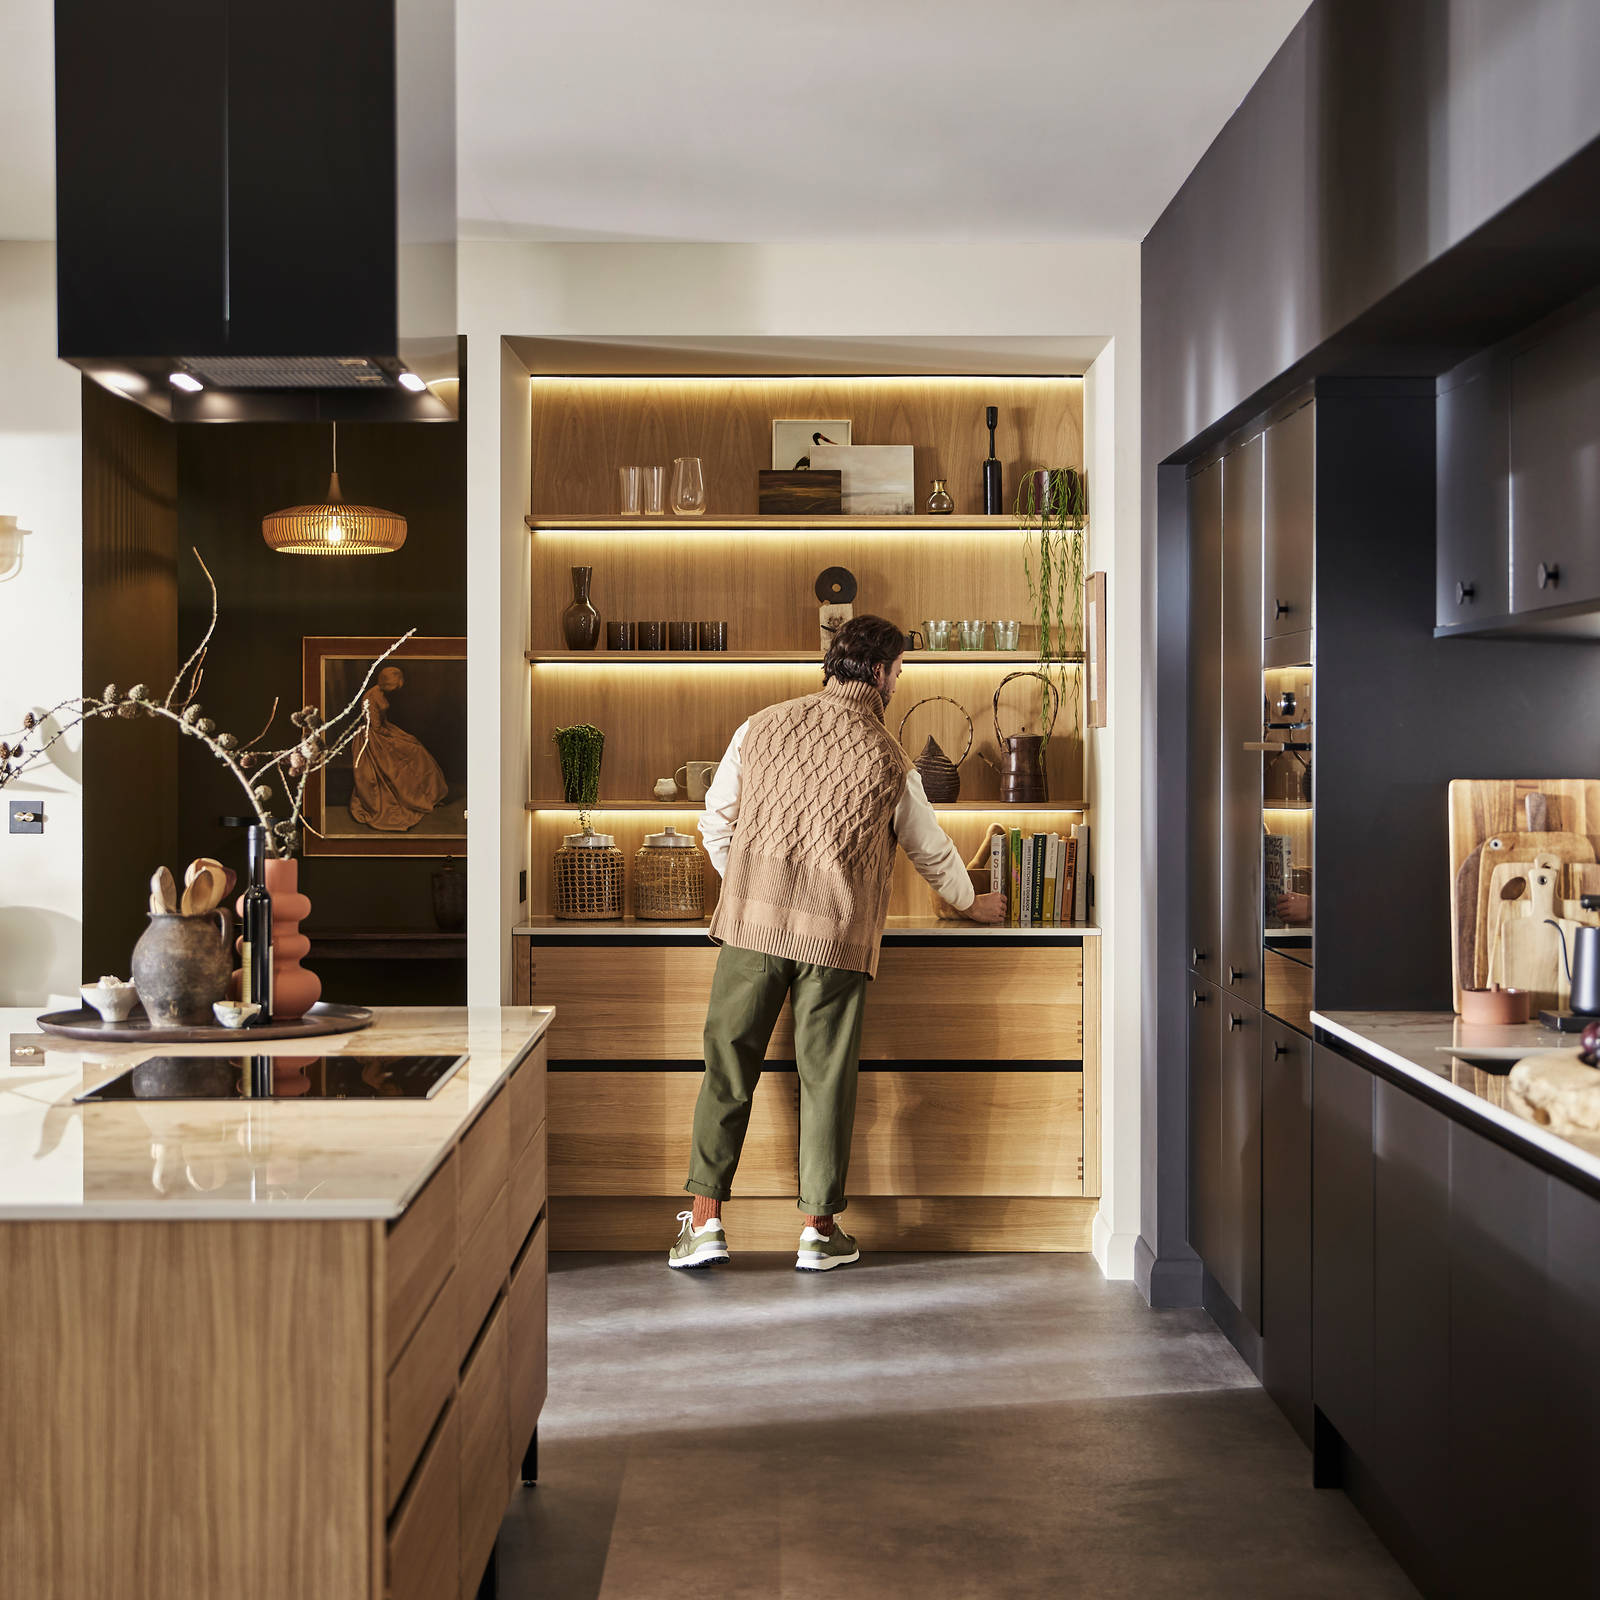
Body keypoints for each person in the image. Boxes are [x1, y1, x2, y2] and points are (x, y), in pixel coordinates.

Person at [668, 615, 1006, 1273]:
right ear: (880, 674)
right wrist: (974, 903)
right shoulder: (888, 755)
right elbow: (931, 852)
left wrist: (746, 887)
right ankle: (819, 1233)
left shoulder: (760, 726)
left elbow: (716, 822)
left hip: (750, 930)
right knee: (826, 1080)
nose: (899, 682)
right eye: (901, 671)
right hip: (835, 938)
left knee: (727, 1067)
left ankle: (704, 1224)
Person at [349, 665, 448, 831]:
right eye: (394, 686)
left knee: (415, 746)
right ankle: (414, 798)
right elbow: (376, 727)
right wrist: (398, 737)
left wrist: (400, 735)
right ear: (386, 683)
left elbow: (382, 723)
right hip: (373, 738)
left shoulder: (379, 692)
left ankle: (428, 795)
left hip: (384, 730)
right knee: (409, 754)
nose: (395, 690)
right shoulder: (370, 698)